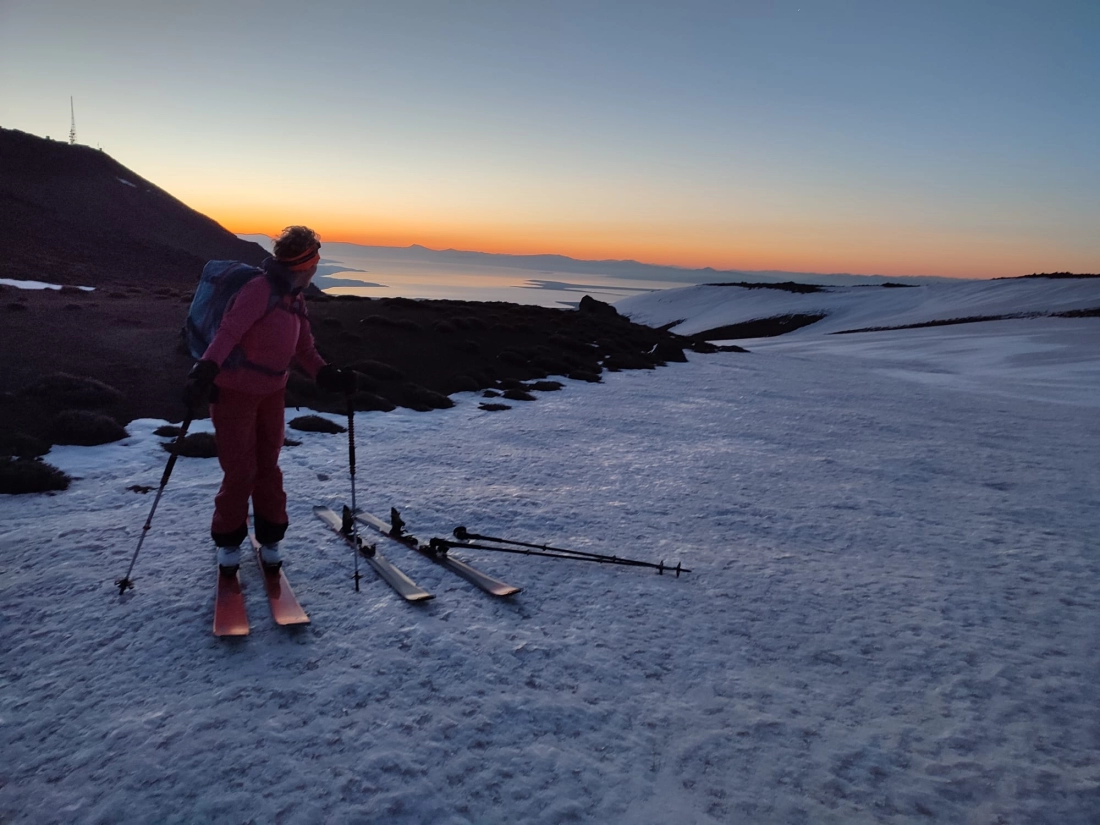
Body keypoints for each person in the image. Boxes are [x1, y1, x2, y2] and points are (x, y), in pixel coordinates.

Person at [183, 226, 356, 572]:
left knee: (268, 467)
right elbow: (229, 332)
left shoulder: (294, 297)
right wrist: (205, 370)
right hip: (234, 393)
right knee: (240, 471)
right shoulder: (258, 290)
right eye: (315, 262)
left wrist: (325, 374)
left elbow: (304, 348)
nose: (316, 269)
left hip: (272, 395)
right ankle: (229, 541)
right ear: (306, 265)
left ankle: (271, 535)